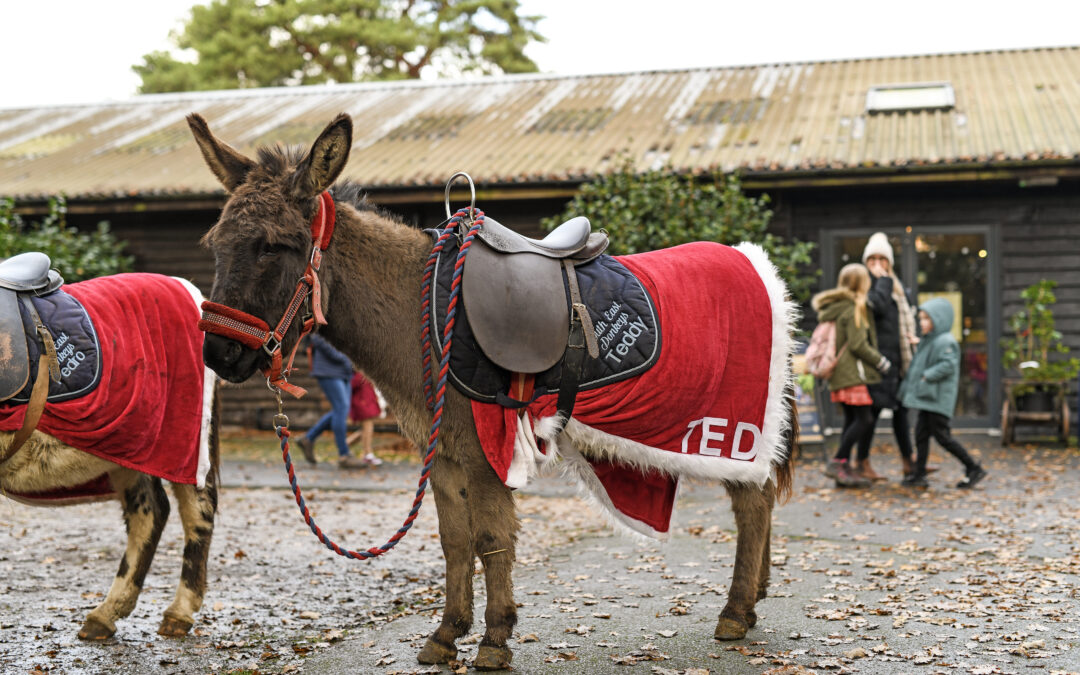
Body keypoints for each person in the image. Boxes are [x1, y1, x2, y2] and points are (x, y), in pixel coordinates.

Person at [811, 263, 892, 488]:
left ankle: (843, 469)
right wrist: (881, 361)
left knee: (851, 418)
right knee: (864, 419)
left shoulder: (836, 306)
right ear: (861, 283)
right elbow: (858, 344)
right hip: (852, 373)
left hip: (840, 373)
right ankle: (838, 462)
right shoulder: (854, 306)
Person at [854, 233, 925, 481]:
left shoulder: (897, 288)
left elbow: (907, 319)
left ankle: (909, 461)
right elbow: (878, 306)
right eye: (871, 258)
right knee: (870, 415)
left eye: (881, 258)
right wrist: (881, 280)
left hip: (899, 361)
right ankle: (861, 461)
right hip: (878, 362)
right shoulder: (869, 286)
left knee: (901, 413)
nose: (876, 263)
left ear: (889, 262)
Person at [899, 299, 988, 489]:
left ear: (938, 320)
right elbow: (929, 348)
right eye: (921, 319)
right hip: (929, 398)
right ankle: (919, 473)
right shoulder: (932, 340)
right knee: (921, 434)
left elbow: (948, 364)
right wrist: (918, 341)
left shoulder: (946, 341)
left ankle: (973, 467)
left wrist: (926, 376)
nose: (921, 323)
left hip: (938, 400)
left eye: (926, 319)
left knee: (942, 437)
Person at [296, 334, 368, 469]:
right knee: (341, 408)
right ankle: (344, 455)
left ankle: (308, 438)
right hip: (328, 370)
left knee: (341, 410)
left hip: (344, 371)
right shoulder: (322, 317)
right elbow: (318, 339)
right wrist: (347, 359)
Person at [344, 370, 383, 467]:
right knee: (367, 428)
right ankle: (368, 454)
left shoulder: (363, 373)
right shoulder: (358, 374)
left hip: (366, 403)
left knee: (366, 429)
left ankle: (345, 445)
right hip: (362, 404)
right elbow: (352, 385)